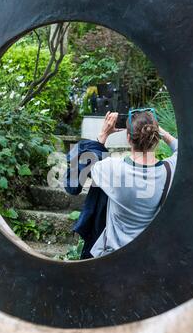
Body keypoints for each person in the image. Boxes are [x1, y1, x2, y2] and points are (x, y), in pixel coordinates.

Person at [65, 110, 178, 259]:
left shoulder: (111, 168)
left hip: (112, 255)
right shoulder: (169, 169)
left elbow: (74, 179)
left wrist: (103, 135)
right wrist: (162, 132)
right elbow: (183, 150)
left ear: (128, 138)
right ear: (156, 137)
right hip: (146, 255)